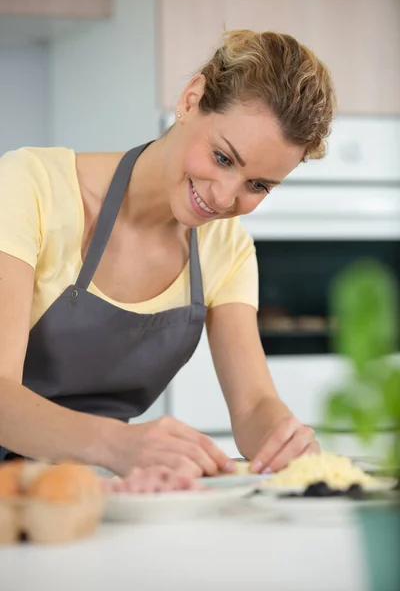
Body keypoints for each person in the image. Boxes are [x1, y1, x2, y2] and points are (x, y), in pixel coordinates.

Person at [0, 29, 335, 489]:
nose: (223, 197)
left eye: (258, 186)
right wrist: (117, 444)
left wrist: (286, 442)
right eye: (222, 157)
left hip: (86, 491)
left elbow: (254, 405)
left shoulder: (227, 250)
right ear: (191, 99)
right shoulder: (30, 185)